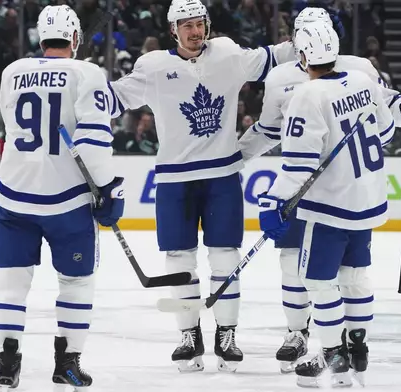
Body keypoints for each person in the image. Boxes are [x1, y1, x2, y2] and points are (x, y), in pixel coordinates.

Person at [238, 7, 401, 374]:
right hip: (353, 196)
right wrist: (237, 155)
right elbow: (269, 130)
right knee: (312, 269)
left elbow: (388, 107)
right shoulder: (289, 78)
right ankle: (304, 335)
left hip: (320, 196)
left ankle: (333, 349)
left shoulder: (352, 72)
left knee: (317, 275)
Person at [108, 0, 295, 373]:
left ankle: (227, 335)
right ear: (172, 30)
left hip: (222, 175)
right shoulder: (153, 67)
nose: (195, 31)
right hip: (174, 179)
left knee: (225, 256)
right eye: (186, 25)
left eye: (199, 23)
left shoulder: (228, 53)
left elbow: (276, 56)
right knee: (179, 259)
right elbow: (111, 99)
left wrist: (308, 31)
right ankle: (188, 333)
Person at [0, 5, 125, 389]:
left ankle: (7, 364)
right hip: (66, 201)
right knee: (77, 283)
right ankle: (67, 363)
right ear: (75, 39)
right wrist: (110, 188)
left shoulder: (12, 72)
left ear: (39, 36)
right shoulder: (88, 73)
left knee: (11, 285)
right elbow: (95, 141)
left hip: (12, 196)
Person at [257, 22, 394, 388]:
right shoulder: (364, 82)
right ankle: (357, 347)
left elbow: (298, 166)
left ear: (302, 56)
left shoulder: (307, 95)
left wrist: (274, 202)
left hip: (330, 207)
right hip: (366, 200)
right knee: (354, 278)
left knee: (318, 282)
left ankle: (333, 353)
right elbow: (387, 131)